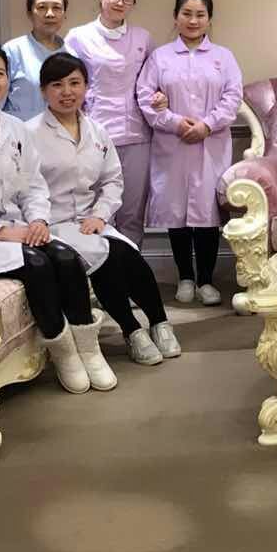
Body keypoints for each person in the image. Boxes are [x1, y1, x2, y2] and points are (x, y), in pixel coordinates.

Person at [0, 37, 116, 396]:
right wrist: (1, 232)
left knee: (66, 257)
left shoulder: (16, 128)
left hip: (20, 228)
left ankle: (89, 350)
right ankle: (64, 354)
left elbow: (34, 186)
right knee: (39, 265)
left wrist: (39, 221)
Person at [28, 52, 181, 364]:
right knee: (107, 259)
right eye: (57, 85)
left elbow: (112, 180)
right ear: (43, 91)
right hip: (52, 224)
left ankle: (159, 322)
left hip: (90, 219)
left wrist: (99, 215)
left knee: (130, 254)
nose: (67, 91)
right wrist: (39, 219)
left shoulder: (97, 131)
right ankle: (132, 330)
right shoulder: (28, 134)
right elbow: (24, 187)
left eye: (74, 83)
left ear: (86, 87)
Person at [136, 0, 242, 306]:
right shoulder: (160, 57)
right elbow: (145, 96)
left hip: (211, 144)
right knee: (177, 213)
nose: (193, 21)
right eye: (187, 14)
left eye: (200, 14)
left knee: (207, 213)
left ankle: (206, 280)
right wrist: (174, 122)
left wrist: (207, 124)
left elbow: (233, 97)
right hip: (173, 144)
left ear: (209, 19)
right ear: (176, 17)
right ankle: (184, 277)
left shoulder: (223, 57)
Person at [64, 0, 155, 247]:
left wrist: (160, 98)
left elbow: (153, 81)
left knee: (132, 212)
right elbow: (69, 85)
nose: (120, 2)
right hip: (92, 134)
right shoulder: (78, 37)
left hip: (136, 134)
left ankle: (132, 266)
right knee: (95, 211)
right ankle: (100, 266)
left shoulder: (142, 38)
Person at [1, 0, 68, 121]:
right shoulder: (13, 51)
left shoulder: (71, 54)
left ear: (64, 14)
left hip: (61, 131)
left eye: (56, 8)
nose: (50, 14)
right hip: (19, 132)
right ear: (30, 14)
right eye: (42, 7)